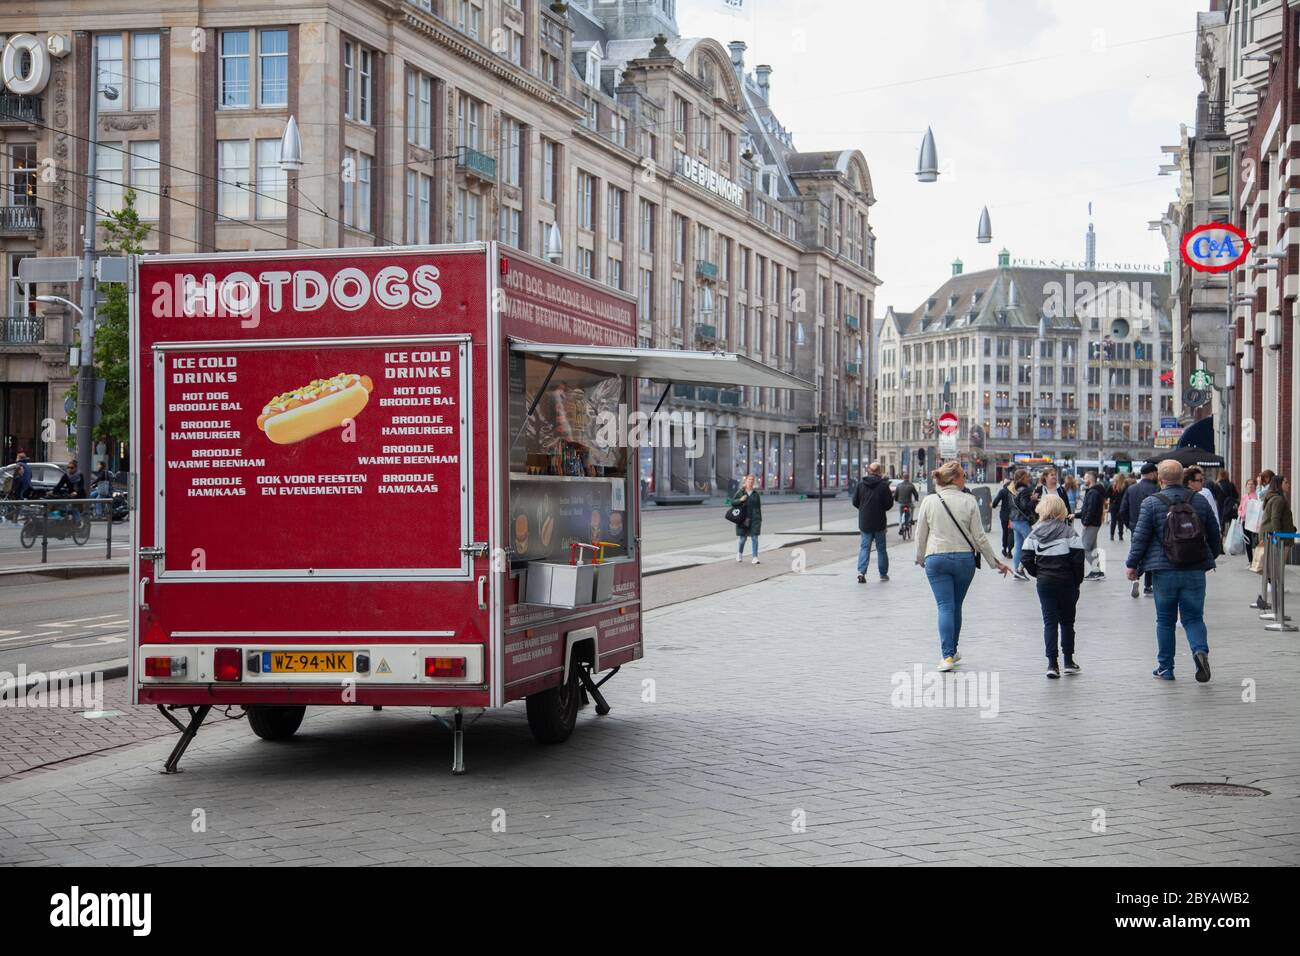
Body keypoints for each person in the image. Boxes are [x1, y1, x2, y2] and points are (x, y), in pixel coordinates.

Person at [1125, 459, 1221, 682]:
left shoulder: (1151, 503)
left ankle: (1166, 668)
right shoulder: (1199, 500)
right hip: (1195, 569)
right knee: (1194, 618)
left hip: (1164, 570)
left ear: (1160, 479)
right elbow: (1215, 534)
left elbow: (1140, 538)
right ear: (1182, 477)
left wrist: (1132, 565)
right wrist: (1208, 557)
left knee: (1165, 620)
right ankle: (1200, 652)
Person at [914, 461, 1010, 672]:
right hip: (964, 560)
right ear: (955, 479)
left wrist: (920, 557)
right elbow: (980, 538)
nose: (965, 479)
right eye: (964, 476)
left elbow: (920, 534)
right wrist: (995, 563)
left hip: (936, 557)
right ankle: (952, 651)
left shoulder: (929, 501)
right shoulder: (969, 501)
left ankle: (947, 655)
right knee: (956, 606)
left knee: (945, 606)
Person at [1022, 494, 1086, 678]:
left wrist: (1038, 573)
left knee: (1049, 622)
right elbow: (1078, 561)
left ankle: (1052, 664)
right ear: (1061, 510)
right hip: (1067, 582)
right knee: (1067, 622)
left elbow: (1025, 558)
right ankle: (1068, 661)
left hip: (1045, 583)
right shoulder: (1070, 533)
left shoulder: (1034, 533)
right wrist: (1077, 582)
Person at [1121, 462, 1160, 597]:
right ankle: (1148, 585)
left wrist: (1130, 525)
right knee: (1151, 555)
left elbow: (1123, 510)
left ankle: (1135, 578)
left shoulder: (1131, 489)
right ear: (1152, 473)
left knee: (1137, 553)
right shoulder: (1157, 489)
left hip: (1135, 528)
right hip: (1153, 529)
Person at [852, 462, 894, 583]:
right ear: (879, 471)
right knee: (881, 549)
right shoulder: (883, 486)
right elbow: (889, 504)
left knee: (865, 547)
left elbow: (855, 502)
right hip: (879, 521)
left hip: (865, 521)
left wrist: (863, 509)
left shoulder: (861, 485)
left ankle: (861, 572)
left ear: (869, 471)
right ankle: (883, 574)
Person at [1259, 474, 1296, 569]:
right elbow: (1275, 518)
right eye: (1286, 482)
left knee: (1273, 567)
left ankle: (1271, 583)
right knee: (1277, 568)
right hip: (1279, 539)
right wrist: (1278, 537)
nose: (1288, 485)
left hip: (1276, 536)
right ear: (1279, 484)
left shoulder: (1275, 498)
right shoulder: (1278, 499)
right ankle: (1273, 583)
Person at [1009, 469, 1037, 580]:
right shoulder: (1025, 490)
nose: (1029, 478)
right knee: (1033, 543)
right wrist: (1033, 500)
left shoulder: (1012, 489)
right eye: (1026, 477)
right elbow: (1025, 506)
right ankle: (1020, 569)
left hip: (1014, 521)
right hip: (1022, 521)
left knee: (1018, 546)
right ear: (1021, 478)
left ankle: (1016, 571)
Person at [1079, 469, 1107, 580]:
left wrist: (1086, 522)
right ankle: (1097, 571)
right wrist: (1075, 515)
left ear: (1090, 479)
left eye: (1085, 478)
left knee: (1085, 548)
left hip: (1091, 524)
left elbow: (1091, 509)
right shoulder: (1094, 491)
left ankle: (1096, 571)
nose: (1083, 480)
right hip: (1094, 523)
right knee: (1092, 548)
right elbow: (1087, 509)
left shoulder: (1093, 492)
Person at [1183, 466, 1220, 546]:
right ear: (1190, 482)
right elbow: (1214, 517)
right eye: (1199, 480)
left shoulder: (1177, 495)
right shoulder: (1204, 495)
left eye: (1203, 479)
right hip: (1199, 543)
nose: (1202, 482)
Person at [732, 474, 762, 565]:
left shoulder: (756, 494)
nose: (751, 481)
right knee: (742, 539)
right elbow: (733, 502)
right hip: (743, 519)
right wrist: (740, 500)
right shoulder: (740, 492)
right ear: (745, 481)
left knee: (755, 538)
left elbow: (758, 508)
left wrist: (759, 519)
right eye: (749, 479)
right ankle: (739, 553)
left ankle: (755, 557)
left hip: (754, 519)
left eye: (752, 479)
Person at [990, 477, 1016, 558]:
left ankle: (1004, 549)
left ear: (1004, 484)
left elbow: (995, 503)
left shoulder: (1002, 491)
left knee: (1005, 532)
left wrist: (992, 505)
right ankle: (1010, 551)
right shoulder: (1014, 491)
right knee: (1011, 533)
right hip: (1013, 516)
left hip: (1004, 516)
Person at [1239, 477, 1259, 564]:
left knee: (1256, 541)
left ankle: (1257, 559)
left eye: (1252, 484)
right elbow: (1240, 508)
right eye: (1248, 484)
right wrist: (1241, 514)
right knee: (1248, 541)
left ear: (1255, 486)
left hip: (1254, 521)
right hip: (1245, 521)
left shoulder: (1257, 496)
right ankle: (1250, 560)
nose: (1250, 486)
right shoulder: (1244, 496)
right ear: (1246, 486)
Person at [1108, 474, 1128, 542]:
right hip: (1121, 506)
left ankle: (1112, 535)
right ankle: (1120, 536)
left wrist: (1111, 499)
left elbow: (1106, 495)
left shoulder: (1112, 486)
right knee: (1120, 522)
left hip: (1113, 506)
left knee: (1113, 521)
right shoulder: (1124, 487)